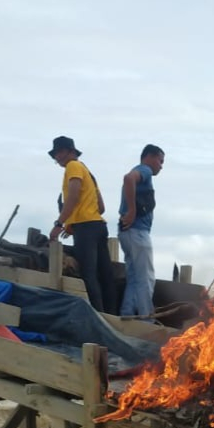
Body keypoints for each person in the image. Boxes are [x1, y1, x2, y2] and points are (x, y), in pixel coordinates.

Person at [47, 136, 117, 314]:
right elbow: (100, 207)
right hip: (98, 226)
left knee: (89, 275)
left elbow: (73, 195)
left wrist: (60, 223)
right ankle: (111, 315)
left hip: (86, 228)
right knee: (105, 275)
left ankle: (98, 318)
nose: (58, 157)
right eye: (56, 154)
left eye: (60, 152)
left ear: (71, 152)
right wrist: (74, 221)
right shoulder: (88, 173)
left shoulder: (73, 166)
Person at [117, 143, 165, 318]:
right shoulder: (144, 170)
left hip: (127, 233)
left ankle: (128, 315)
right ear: (149, 157)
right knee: (146, 278)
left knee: (135, 278)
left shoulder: (142, 172)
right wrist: (132, 211)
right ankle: (146, 319)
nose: (161, 166)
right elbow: (128, 178)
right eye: (160, 161)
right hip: (137, 232)